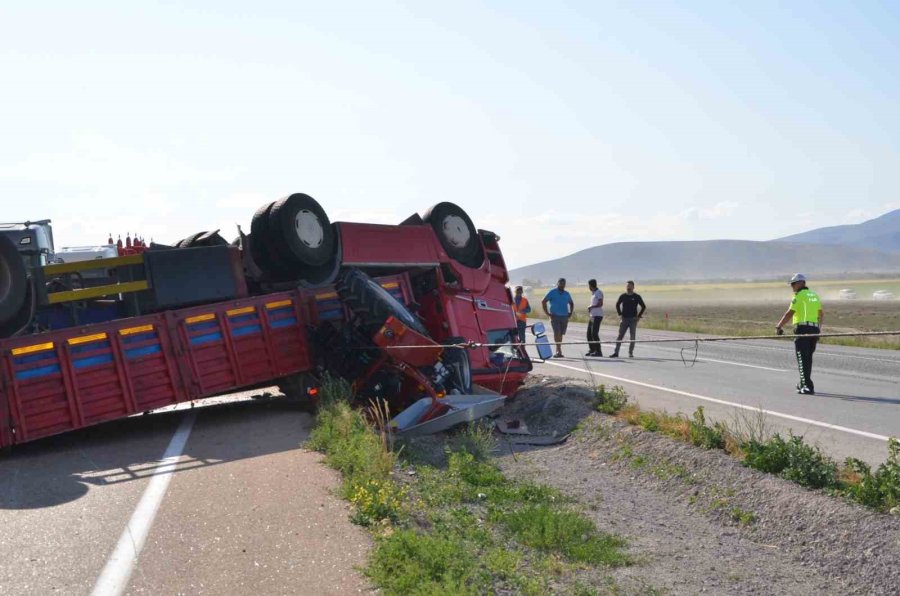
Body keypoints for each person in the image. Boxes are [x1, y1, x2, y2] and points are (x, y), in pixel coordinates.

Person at [775, 273, 823, 395]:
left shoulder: (799, 296)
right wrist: (818, 330)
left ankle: (807, 386)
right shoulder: (814, 295)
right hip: (814, 330)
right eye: (791, 284)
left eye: (793, 284)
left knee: (802, 358)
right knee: (808, 359)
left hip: (802, 329)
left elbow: (790, 313)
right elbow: (821, 314)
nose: (792, 287)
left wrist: (779, 326)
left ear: (801, 283)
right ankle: (803, 382)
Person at [609, 280, 646, 358]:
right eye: (627, 286)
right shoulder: (623, 296)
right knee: (620, 336)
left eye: (630, 286)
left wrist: (639, 316)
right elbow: (617, 304)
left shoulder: (636, 296)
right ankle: (616, 352)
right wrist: (620, 314)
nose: (628, 287)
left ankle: (630, 352)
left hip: (633, 319)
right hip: (624, 319)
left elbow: (643, 306)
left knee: (632, 337)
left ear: (633, 287)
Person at [541, 278, 574, 358]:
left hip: (564, 316)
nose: (562, 285)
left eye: (564, 283)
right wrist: (547, 313)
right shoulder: (552, 292)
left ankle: (559, 349)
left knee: (561, 333)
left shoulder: (566, 293)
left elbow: (571, 303)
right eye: (561, 283)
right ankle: (558, 350)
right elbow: (543, 301)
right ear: (557, 283)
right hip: (555, 316)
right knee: (557, 333)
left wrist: (570, 312)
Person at [586, 279, 604, 356]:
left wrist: (591, 306)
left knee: (594, 333)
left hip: (598, 315)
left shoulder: (598, 292)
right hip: (592, 316)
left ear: (591, 285)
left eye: (589, 286)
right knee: (589, 334)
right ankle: (592, 349)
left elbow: (600, 304)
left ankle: (598, 351)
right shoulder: (593, 293)